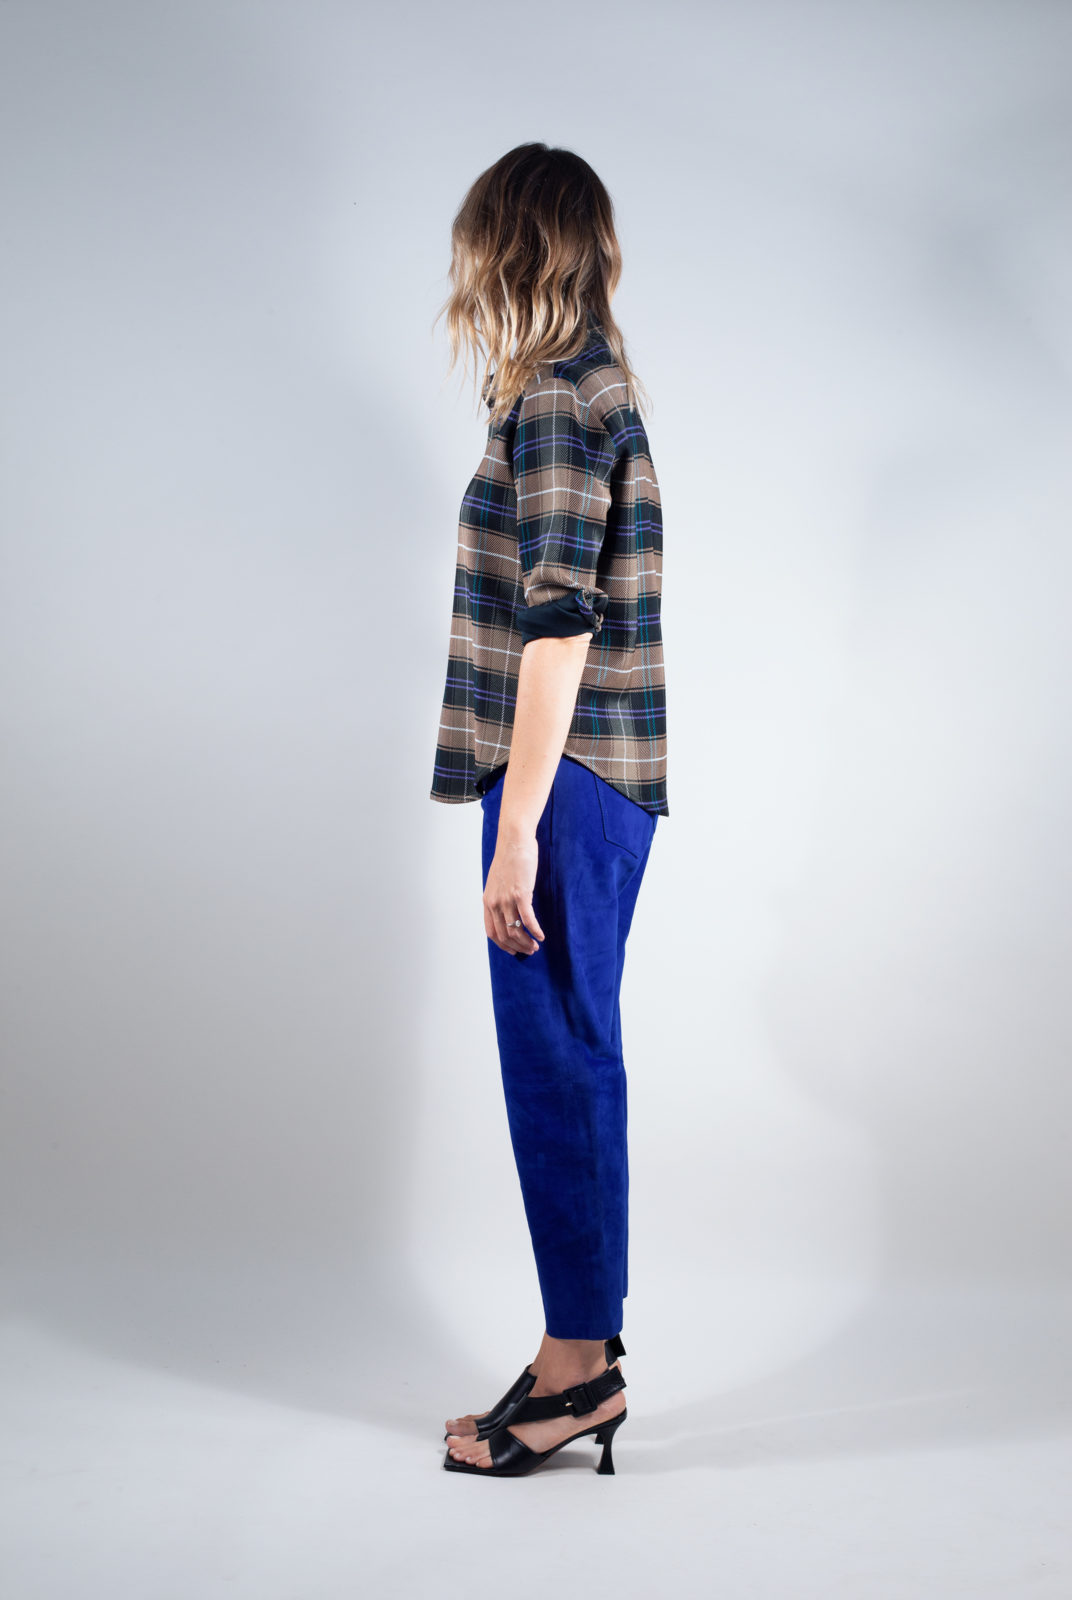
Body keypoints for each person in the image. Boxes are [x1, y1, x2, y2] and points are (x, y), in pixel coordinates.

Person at [429, 143, 669, 1477]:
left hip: (563, 787)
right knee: (571, 1055)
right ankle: (577, 1351)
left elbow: (560, 627)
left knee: (556, 1060)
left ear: (512, 249)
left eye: (479, 250)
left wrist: (516, 825)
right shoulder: (585, 386)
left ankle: (579, 1374)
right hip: (583, 784)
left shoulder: (564, 400)